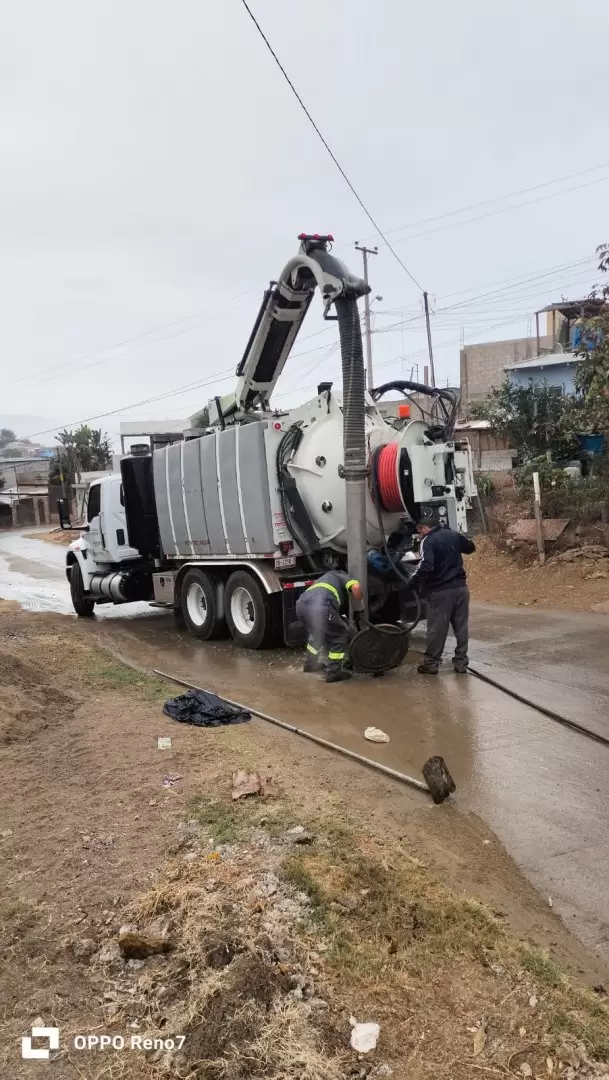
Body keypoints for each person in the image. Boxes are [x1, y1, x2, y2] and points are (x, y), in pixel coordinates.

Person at [413, 520, 475, 674]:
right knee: (461, 628)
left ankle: (431, 664)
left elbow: (426, 565)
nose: (420, 535)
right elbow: (470, 548)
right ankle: (461, 664)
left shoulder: (428, 541)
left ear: (424, 528)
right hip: (461, 589)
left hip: (441, 592)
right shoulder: (453, 534)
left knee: (437, 629)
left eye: (419, 531)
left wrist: (414, 583)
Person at [296, 570, 363, 683]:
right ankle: (333, 672)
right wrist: (360, 608)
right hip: (322, 606)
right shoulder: (342, 576)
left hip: (301, 605)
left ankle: (310, 664)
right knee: (340, 633)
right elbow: (356, 588)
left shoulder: (325, 578)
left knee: (318, 631)